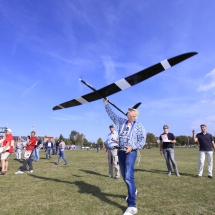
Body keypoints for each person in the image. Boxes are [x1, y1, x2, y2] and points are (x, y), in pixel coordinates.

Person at [103, 98, 146, 215]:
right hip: (120, 151)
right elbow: (111, 115)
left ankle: (132, 205)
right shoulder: (121, 122)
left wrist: (132, 147)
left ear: (134, 115)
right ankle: (133, 190)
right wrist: (106, 104)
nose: (127, 111)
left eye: (130, 110)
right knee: (124, 175)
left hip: (130, 152)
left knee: (128, 176)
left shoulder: (139, 126)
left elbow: (142, 140)